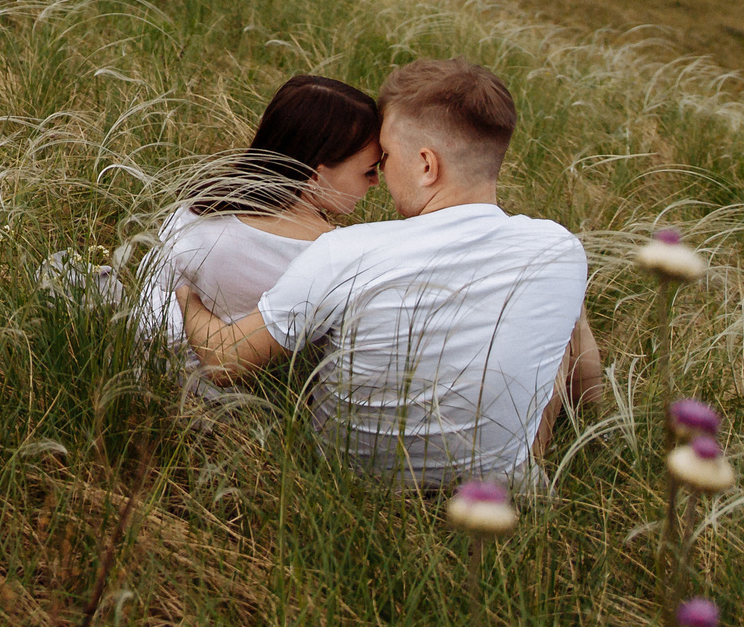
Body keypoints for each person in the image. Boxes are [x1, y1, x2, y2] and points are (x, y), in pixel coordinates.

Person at [176, 57, 603, 487]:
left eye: (387, 156)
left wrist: (186, 296)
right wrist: (593, 429)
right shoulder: (558, 248)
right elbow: (584, 377)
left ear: (426, 165)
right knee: (561, 326)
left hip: (345, 481)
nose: (380, 173)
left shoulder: (345, 251)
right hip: (492, 495)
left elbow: (224, 359)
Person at [135, 74, 382, 353]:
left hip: (151, 359)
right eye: (369, 171)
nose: (374, 182)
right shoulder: (330, 255)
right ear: (317, 175)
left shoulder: (199, 207)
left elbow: (152, 290)